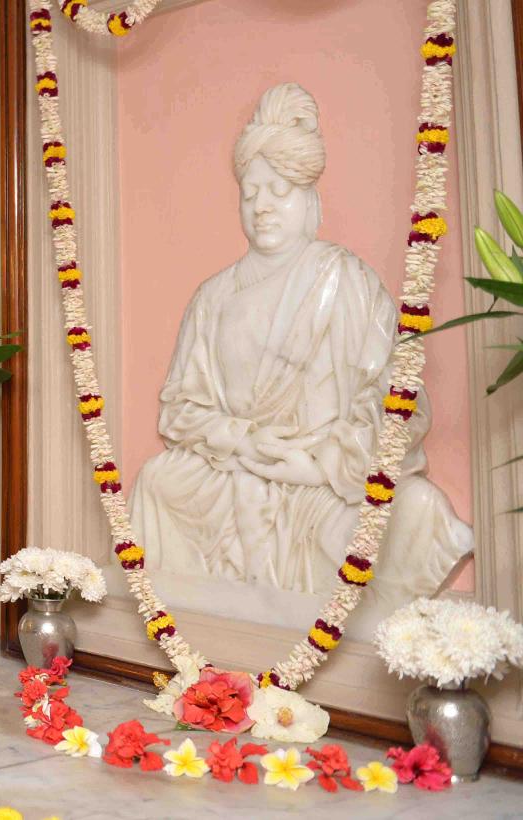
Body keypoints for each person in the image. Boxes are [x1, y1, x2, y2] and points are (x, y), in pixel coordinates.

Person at [129, 84, 470, 604]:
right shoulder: (213, 296)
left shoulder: (347, 279)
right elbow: (180, 408)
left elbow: (400, 401)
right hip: (240, 469)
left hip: (328, 478)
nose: (262, 207)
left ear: (309, 197)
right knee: (158, 480)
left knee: (416, 508)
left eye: (279, 190)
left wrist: (320, 464)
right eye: (250, 193)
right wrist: (244, 441)